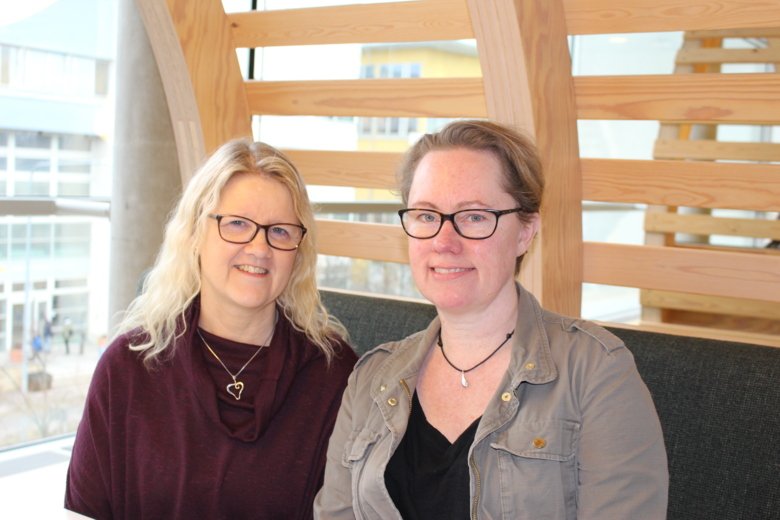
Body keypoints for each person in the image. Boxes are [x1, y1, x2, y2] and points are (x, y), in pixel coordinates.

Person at [314, 120, 668, 519]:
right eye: (427, 216)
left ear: (525, 232)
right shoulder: (372, 378)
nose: (444, 242)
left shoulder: (595, 371)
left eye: (475, 217)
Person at [66, 139, 357, 519]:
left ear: (298, 253)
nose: (259, 248)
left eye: (280, 231)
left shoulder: (334, 377)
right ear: (195, 233)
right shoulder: (128, 368)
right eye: (237, 224)